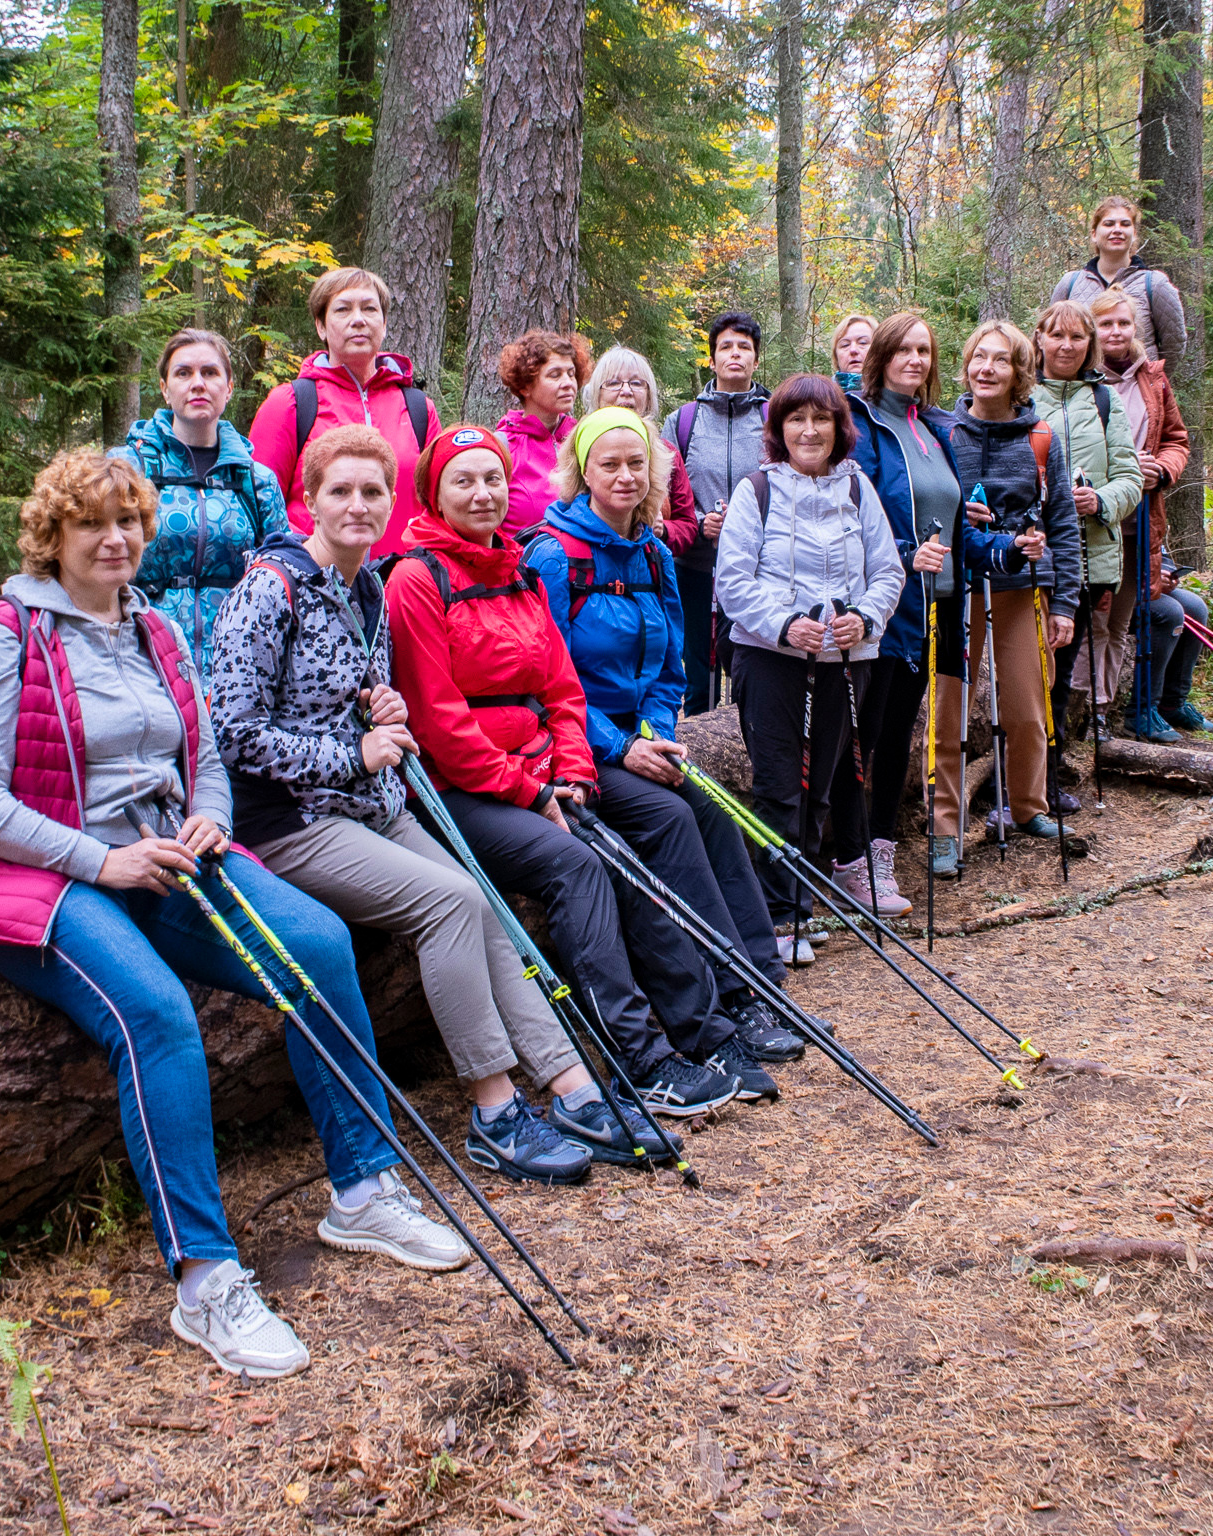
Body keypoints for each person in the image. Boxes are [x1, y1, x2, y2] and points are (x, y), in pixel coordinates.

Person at [0, 451, 466, 1383]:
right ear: (51, 537)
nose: (115, 540)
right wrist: (102, 858)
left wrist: (208, 814)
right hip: (45, 876)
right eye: (91, 524)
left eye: (129, 522)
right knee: (159, 1018)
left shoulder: (158, 634)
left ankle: (363, 1190)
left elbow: (207, 748)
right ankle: (206, 1277)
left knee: (317, 944)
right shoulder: (5, 634)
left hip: (167, 856)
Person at [208, 423, 667, 1182]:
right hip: (292, 819)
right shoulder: (270, 588)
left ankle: (573, 1087)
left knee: (483, 897)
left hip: (372, 802)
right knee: (452, 901)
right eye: (340, 491)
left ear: (393, 500)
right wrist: (351, 752)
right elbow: (234, 732)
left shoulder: (366, 587)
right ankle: (493, 1108)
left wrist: (381, 713)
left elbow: (358, 700)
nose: (358, 505)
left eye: (371, 491)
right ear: (308, 501)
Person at [384, 424, 750, 1116]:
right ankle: (642, 1060)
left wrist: (574, 772)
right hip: (454, 790)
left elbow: (561, 687)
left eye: (493, 478)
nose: (484, 492)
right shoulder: (416, 578)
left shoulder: (516, 567)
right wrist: (531, 790)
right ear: (434, 493)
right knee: (580, 864)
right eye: (464, 481)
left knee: (617, 849)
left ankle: (701, 1032)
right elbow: (439, 721)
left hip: (541, 772)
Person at [522, 405, 808, 1062]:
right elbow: (548, 679)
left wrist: (654, 732)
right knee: (670, 817)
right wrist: (621, 746)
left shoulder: (652, 552)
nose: (624, 476)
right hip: (573, 745)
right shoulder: (553, 555)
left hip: (640, 737)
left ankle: (760, 979)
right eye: (609, 464)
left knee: (709, 810)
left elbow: (671, 664)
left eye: (636, 464)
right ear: (582, 472)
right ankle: (729, 990)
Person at [714, 373, 905, 945]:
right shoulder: (757, 490)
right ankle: (778, 915)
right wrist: (784, 624)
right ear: (778, 428)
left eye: (821, 418)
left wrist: (865, 619)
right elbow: (732, 581)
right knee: (779, 787)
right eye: (796, 419)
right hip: (770, 660)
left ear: (838, 428)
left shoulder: (857, 489)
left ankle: (801, 896)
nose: (809, 429)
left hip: (845, 661)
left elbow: (888, 571)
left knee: (821, 786)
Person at [846, 313, 1025, 910]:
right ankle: (851, 860)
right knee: (868, 736)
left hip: (937, 605)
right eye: (903, 350)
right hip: (887, 606)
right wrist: (903, 553)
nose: (915, 361)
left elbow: (954, 532)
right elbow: (855, 521)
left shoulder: (934, 429)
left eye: (924, 351)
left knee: (898, 737)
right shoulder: (863, 426)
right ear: (881, 357)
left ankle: (879, 858)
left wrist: (1003, 548)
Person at [930, 323, 1073, 868]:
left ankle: (1027, 803)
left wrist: (1063, 602)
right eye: (978, 358)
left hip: (1022, 589)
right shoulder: (943, 433)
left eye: (1000, 361)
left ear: (1019, 373)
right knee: (950, 706)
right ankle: (946, 823)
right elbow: (926, 506)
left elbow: (1062, 522)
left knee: (1029, 704)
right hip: (956, 589)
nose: (986, 369)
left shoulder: (1041, 438)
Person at [111, 329, 290, 669]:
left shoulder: (256, 480)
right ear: (165, 389)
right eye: (183, 373)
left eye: (210, 372)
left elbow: (281, 578)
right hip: (143, 655)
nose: (197, 383)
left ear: (229, 388)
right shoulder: (129, 469)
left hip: (238, 665)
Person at [249, 267, 442, 556]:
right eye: (342, 309)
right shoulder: (292, 402)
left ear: (384, 323)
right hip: (312, 582)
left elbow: (439, 506)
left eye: (369, 309)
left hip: (401, 583)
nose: (358, 320)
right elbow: (257, 505)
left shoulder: (418, 409)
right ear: (321, 326)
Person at [1030, 299, 1142, 792]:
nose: (1067, 345)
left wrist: (1097, 500)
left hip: (1086, 552)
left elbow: (1131, 478)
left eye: (1078, 337)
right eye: (1057, 335)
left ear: (1089, 344)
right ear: (1039, 339)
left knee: (1059, 666)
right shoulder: (1022, 395)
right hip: (1032, 550)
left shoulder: (1105, 400)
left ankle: (1047, 775)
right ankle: (1020, 774)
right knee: (1029, 669)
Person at [1086, 288, 1202, 741]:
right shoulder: (1080, 381)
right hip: (1095, 519)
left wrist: (1163, 472)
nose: (1115, 332)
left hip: (1139, 522)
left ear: (1136, 328)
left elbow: (1177, 440)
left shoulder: (1152, 379)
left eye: (1123, 323)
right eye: (1106, 324)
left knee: (1117, 623)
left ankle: (1109, 708)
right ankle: (1089, 712)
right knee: (1095, 617)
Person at [670, 311, 770, 715]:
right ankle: (700, 760)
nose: (735, 354)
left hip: (759, 570)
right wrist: (698, 522)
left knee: (753, 671)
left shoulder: (775, 418)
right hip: (696, 567)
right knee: (698, 674)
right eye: (725, 346)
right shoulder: (683, 421)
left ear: (755, 360)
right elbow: (665, 493)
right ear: (711, 360)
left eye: (744, 347)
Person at [584, 345, 700, 557]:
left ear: (649, 395)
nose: (626, 391)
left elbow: (688, 524)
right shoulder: (581, 446)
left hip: (651, 571)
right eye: (613, 383)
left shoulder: (666, 453)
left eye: (636, 383)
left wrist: (664, 530)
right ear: (596, 394)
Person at [1049, 195, 1189, 365]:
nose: (1117, 230)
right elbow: (1052, 338)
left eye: (1125, 224)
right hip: (1082, 388)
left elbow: (1174, 345)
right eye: (1109, 224)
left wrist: (1150, 383)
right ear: (1094, 233)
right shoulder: (1070, 284)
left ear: (1134, 233)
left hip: (1138, 388)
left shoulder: (1154, 284)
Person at [494, 330, 591, 536]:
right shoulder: (503, 445)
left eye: (571, 374)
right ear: (525, 387)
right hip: (523, 564)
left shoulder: (584, 437)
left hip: (584, 564)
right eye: (555, 375)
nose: (568, 383)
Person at [831, 312, 877, 391]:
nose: (853, 350)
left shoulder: (897, 393)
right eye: (845, 345)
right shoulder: (821, 398)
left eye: (863, 342)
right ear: (836, 356)